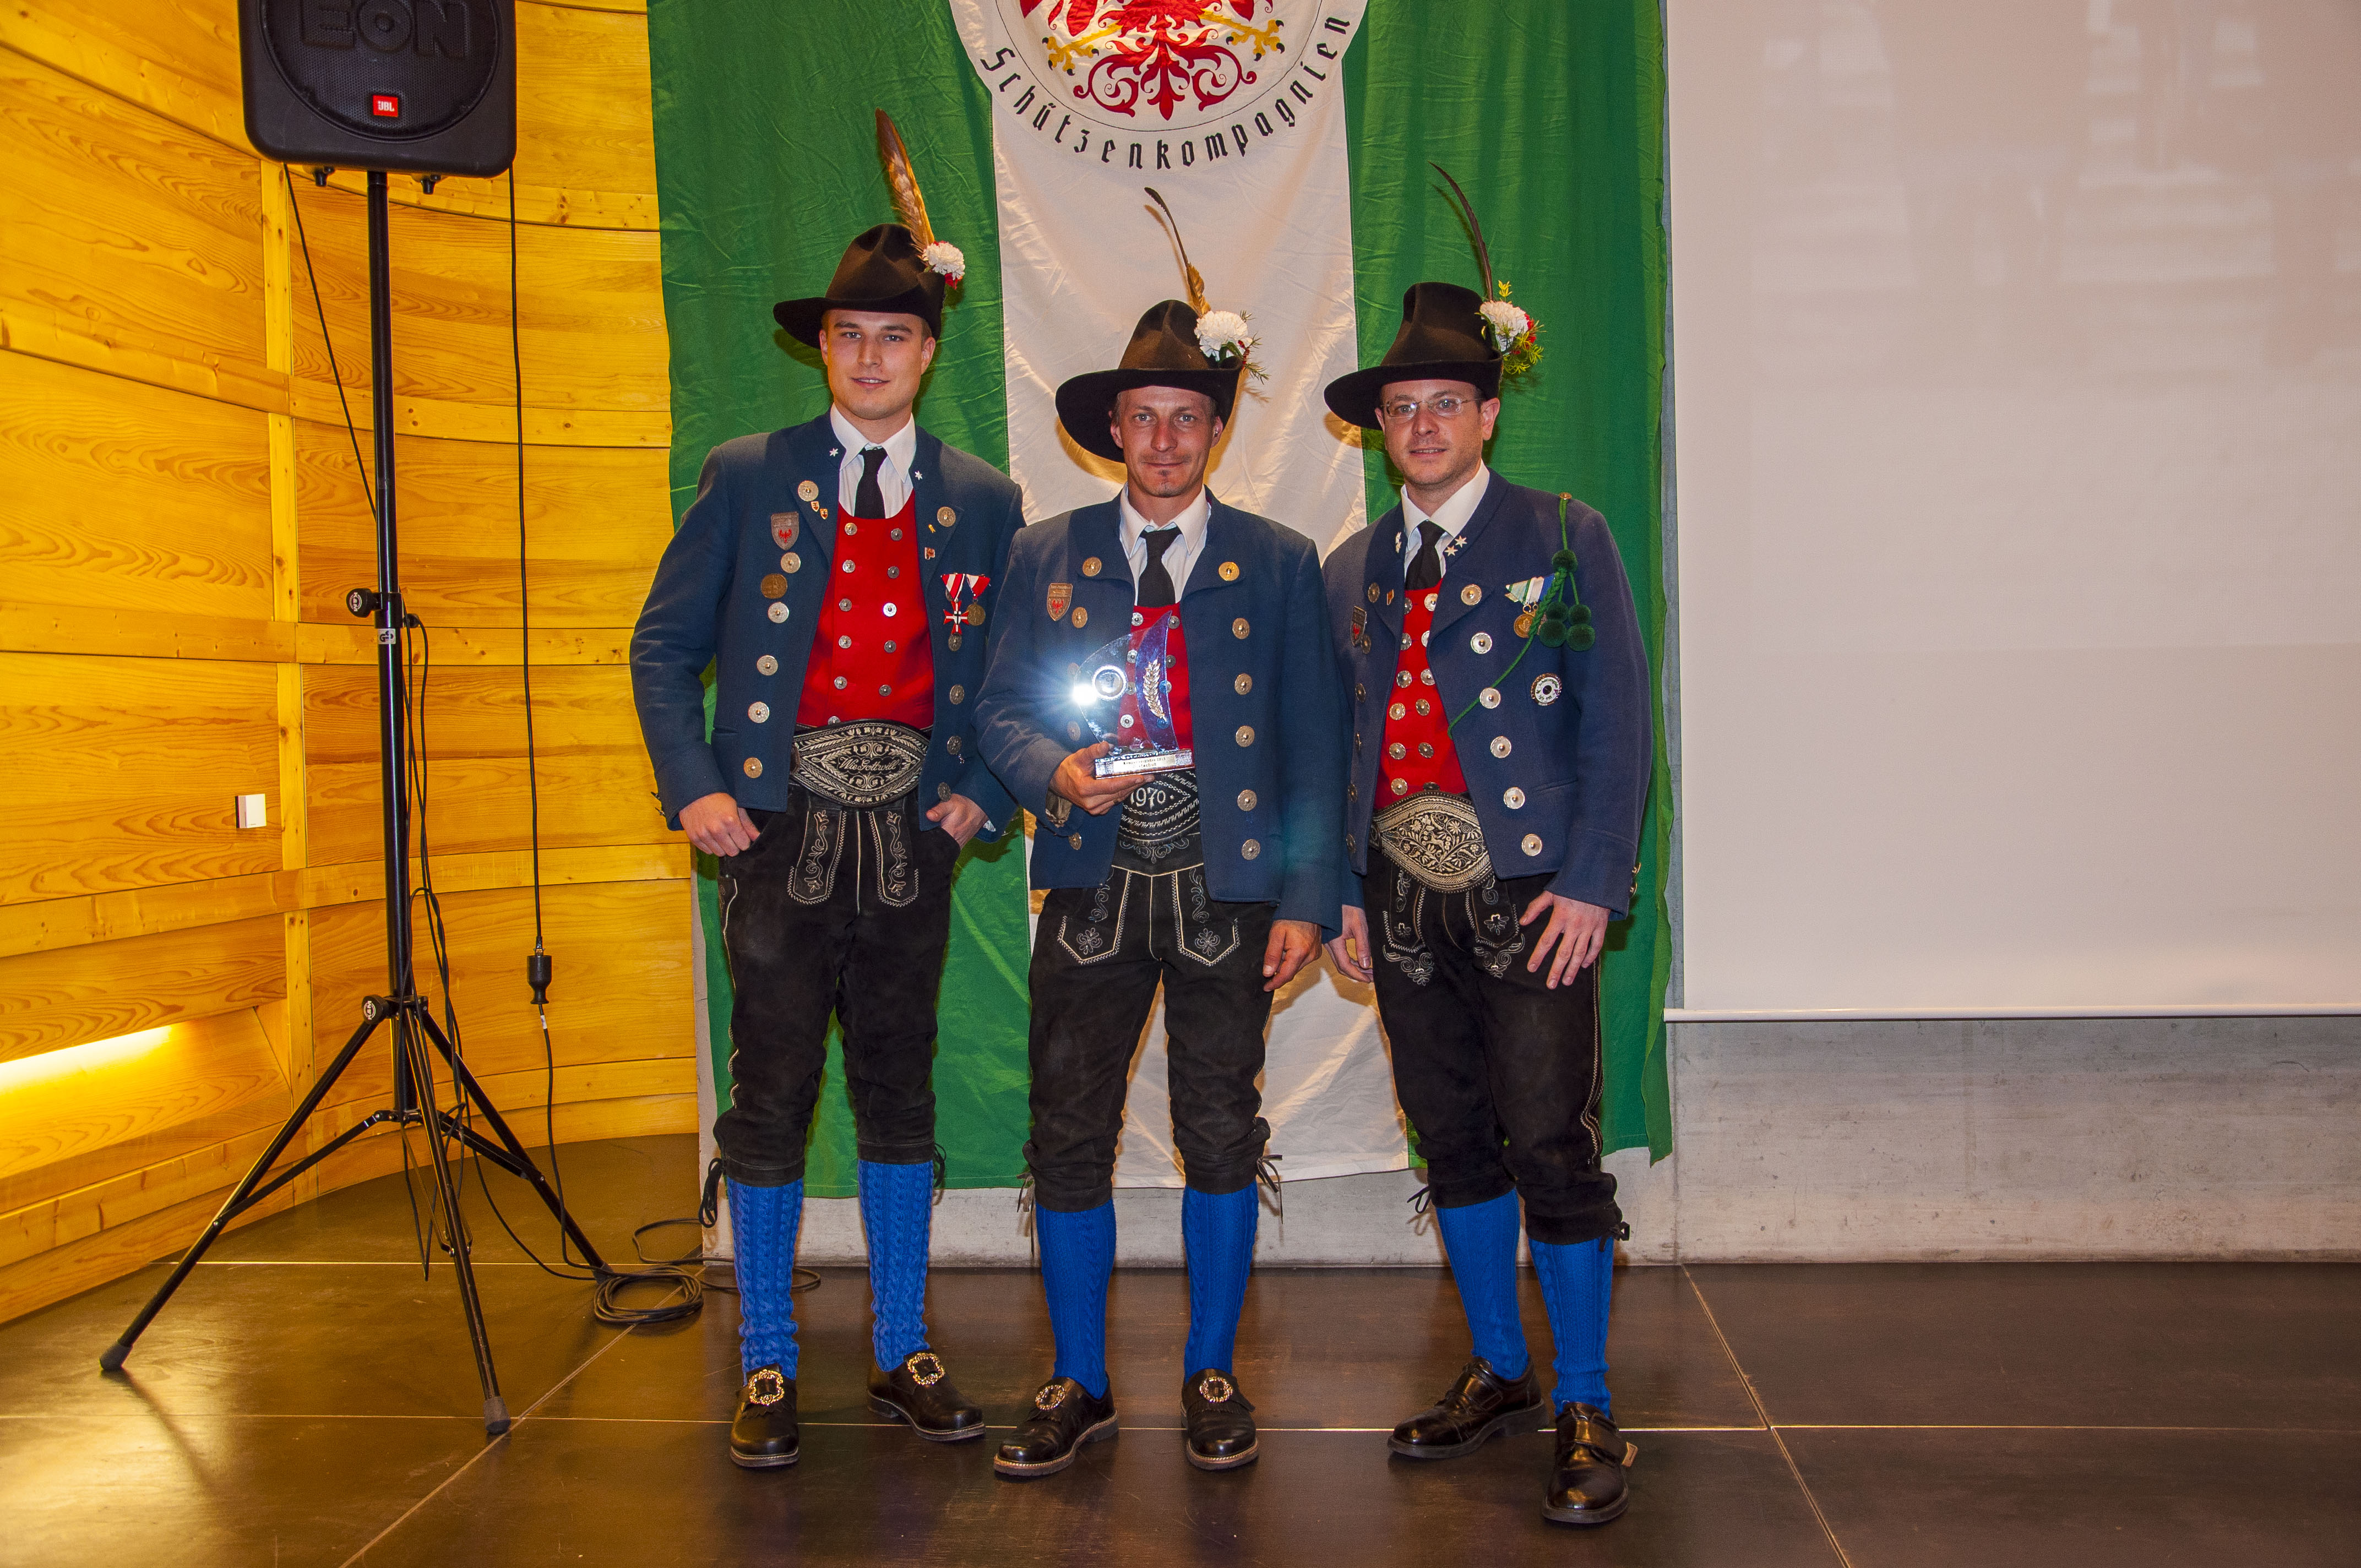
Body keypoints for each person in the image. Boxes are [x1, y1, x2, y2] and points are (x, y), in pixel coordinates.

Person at [630, 221, 1025, 1469]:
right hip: (777, 832)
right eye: (848, 335)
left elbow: (1017, 670)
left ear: (925, 352)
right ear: (824, 351)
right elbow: (662, 646)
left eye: (893, 335)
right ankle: (766, 1351)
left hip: (913, 837)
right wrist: (693, 785)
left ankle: (903, 1338)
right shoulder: (748, 474)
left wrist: (980, 792)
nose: (868, 355)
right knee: (771, 1093)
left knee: (898, 1087)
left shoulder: (984, 499)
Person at [974, 300, 1344, 1478]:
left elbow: (1312, 744)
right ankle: (1078, 1377)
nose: (1167, 440)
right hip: (1089, 881)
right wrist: (1049, 771)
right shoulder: (1047, 552)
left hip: (1228, 889)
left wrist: (1306, 897)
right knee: (1068, 1129)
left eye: (1188, 418)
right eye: (1147, 417)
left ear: (1214, 432)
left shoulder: (1280, 563)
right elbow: (997, 710)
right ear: (1113, 429)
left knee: (1218, 1129)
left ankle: (1210, 1368)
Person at [1320, 279, 1653, 1525]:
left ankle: (1581, 1392)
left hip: (1528, 889)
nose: (1418, 424)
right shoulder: (1353, 565)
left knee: (1548, 1140)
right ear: (1377, 428)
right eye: (1398, 407)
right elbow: (1341, 744)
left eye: (1441, 403)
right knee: (1450, 1137)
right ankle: (1501, 1370)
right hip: (1398, 892)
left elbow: (1619, 716)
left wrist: (1591, 877)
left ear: (1484, 415)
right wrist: (1345, 888)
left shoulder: (1562, 536)